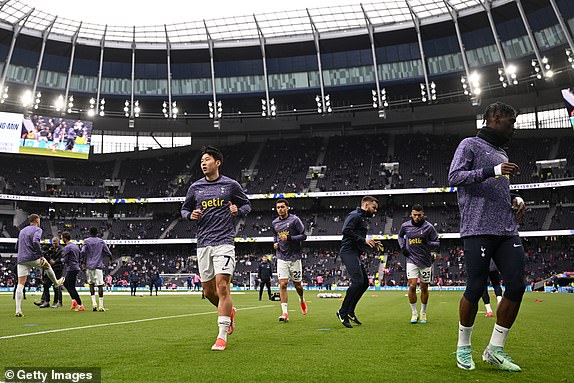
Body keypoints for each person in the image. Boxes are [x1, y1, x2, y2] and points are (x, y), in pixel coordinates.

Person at [449, 101, 526, 372]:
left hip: (506, 228)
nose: (513, 128)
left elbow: (497, 187)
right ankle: (463, 347)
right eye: (509, 123)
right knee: (475, 286)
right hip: (478, 227)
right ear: (494, 119)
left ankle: (495, 349)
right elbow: (454, 177)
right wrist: (491, 171)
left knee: (516, 285)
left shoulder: (502, 153)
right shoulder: (469, 144)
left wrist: (514, 197)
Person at [181, 145, 251, 351]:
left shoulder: (230, 185)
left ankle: (221, 335)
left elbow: (247, 205)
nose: (203, 163)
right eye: (202, 160)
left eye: (207, 159)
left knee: (222, 286)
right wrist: (189, 215)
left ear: (217, 162)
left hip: (224, 241)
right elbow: (184, 209)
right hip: (203, 243)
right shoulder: (195, 188)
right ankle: (230, 312)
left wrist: (237, 209)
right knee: (208, 291)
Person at [336, 196, 381, 328]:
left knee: (365, 283)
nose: (375, 211)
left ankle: (350, 311)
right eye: (374, 208)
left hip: (354, 252)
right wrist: (364, 241)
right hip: (348, 252)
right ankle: (342, 311)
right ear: (366, 205)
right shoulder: (355, 215)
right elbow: (346, 231)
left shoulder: (361, 217)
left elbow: (358, 237)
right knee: (358, 281)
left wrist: (370, 243)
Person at [14, 214, 64, 317]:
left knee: (20, 284)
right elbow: (35, 241)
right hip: (32, 256)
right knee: (47, 266)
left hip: (21, 258)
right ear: (37, 220)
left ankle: (18, 310)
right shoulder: (37, 229)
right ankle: (56, 283)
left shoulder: (22, 231)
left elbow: (17, 245)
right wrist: (40, 255)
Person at [398, 204, 440, 324]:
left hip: (425, 261)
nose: (417, 217)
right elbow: (400, 236)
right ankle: (414, 313)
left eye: (419, 215)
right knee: (412, 285)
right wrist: (402, 247)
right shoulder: (405, 226)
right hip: (411, 260)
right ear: (411, 214)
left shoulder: (429, 227)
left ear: (423, 214)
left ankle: (423, 312)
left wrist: (428, 243)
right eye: (414, 215)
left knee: (424, 287)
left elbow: (437, 242)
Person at [271, 199, 307, 322]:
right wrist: (275, 243)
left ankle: (301, 299)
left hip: (295, 257)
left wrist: (289, 238)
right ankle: (285, 313)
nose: (280, 209)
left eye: (282, 207)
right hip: (281, 257)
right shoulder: (274, 223)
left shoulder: (294, 220)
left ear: (287, 208)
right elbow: (275, 236)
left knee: (298, 285)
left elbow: (304, 236)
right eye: (278, 207)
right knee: (283, 284)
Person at [81, 226, 112, 312]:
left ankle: (94, 304)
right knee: (100, 285)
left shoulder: (86, 241)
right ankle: (101, 306)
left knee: (91, 284)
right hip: (98, 266)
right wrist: (110, 259)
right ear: (97, 233)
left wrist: (83, 262)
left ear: (89, 233)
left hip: (89, 266)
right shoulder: (101, 241)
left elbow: (82, 251)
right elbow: (108, 252)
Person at [34, 236, 64, 308]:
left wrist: (55, 261)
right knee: (46, 285)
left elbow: (62, 259)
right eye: (53, 242)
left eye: (55, 242)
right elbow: (46, 255)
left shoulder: (61, 249)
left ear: (58, 242)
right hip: (50, 269)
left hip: (57, 270)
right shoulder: (50, 249)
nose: (54, 244)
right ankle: (46, 301)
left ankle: (56, 302)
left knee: (56, 286)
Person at [61, 232, 84, 311]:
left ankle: (80, 304)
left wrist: (60, 261)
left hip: (71, 268)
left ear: (64, 238)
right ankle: (74, 301)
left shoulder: (67, 247)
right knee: (66, 284)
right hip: (76, 267)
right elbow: (80, 256)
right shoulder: (76, 246)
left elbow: (65, 259)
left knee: (71, 287)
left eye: (62, 238)